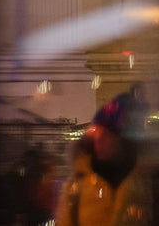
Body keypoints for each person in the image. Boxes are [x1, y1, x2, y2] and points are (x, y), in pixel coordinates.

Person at [56, 90, 151, 226]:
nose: (99, 139)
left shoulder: (146, 185)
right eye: (96, 132)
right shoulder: (77, 185)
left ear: (124, 140)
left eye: (107, 134)